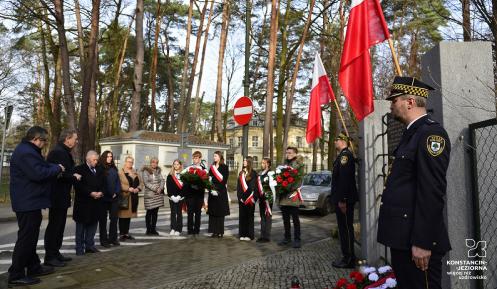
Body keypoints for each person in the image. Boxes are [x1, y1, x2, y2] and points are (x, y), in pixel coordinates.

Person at [377, 76, 451, 289]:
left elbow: (432, 190)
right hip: (403, 238)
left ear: (409, 102)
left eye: (394, 100)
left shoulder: (431, 134)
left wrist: (423, 242)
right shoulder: (411, 134)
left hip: (417, 242)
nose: (391, 106)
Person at [8, 126, 64, 287]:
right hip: (27, 202)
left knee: (30, 237)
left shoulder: (28, 151)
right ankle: (16, 274)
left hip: (29, 201)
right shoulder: (26, 152)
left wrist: (51, 169)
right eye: (43, 140)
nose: (44, 144)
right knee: (26, 239)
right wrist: (57, 168)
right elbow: (38, 173)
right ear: (35, 139)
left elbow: (40, 168)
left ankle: (33, 267)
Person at [44, 129, 81, 267]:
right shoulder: (57, 152)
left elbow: (66, 170)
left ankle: (55, 252)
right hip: (56, 195)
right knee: (55, 226)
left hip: (62, 194)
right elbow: (57, 172)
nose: (77, 141)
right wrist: (73, 176)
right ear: (67, 139)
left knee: (60, 225)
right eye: (75, 139)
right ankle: (50, 256)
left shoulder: (63, 152)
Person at [330, 132, 358, 269]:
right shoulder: (342, 156)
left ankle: (349, 259)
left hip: (344, 200)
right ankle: (347, 256)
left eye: (337, 139)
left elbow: (344, 180)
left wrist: (343, 200)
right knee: (343, 229)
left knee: (346, 229)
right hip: (342, 198)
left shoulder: (345, 156)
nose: (335, 142)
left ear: (343, 141)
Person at [73, 150, 105, 255]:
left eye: (97, 160)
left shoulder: (99, 169)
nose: (96, 162)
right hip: (83, 203)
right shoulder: (79, 169)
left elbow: (104, 183)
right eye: (94, 160)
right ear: (88, 159)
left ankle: (90, 246)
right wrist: (90, 193)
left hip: (96, 203)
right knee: (81, 228)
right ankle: (79, 248)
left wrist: (101, 192)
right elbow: (78, 186)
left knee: (93, 225)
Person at [277, 147, 304, 248]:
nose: (288, 154)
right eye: (287, 152)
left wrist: (287, 187)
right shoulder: (284, 164)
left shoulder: (299, 165)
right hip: (284, 195)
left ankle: (297, 239)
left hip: (293, 194)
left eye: (290, 152)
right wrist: (280, 186)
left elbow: (299, 180)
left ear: (295, 154)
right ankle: (287, 238)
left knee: (295, 219)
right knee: (285, 219)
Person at [98, 151, 121, 247]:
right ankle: (104, 240)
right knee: (103, 220)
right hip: (104, 198)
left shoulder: (114, 168)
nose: (110, 158)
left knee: (114, 219)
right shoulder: (100, 168)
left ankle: (113, 238)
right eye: (108, 156)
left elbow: (117, 182)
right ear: (104, 157)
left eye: (111, 156)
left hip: (114, 198)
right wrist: (108, 193)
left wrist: (116, 192)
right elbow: (101, 184)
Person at [118, 156, 142, 241]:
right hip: (125, 197)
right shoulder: (121, 172)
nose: (130, 163)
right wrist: (128, 188)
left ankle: (126, 233)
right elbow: (119, 183)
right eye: (128, 162)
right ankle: (121, 234)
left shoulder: (135, 172)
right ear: (125, 162)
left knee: (129, 216)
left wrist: (138, 188)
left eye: (131, 162)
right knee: (122, 216)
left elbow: (141, 183)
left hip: (133, 197)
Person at [207, 151, 230, 238]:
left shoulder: (224, 167)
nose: (214, 157)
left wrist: (217, 190)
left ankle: (220, 231)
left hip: (220, 192)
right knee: (213, 212)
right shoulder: (212, 167)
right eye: (214, 156)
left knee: (220, 212)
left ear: (220, 157)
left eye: (215, 156)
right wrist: (211, 188)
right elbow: (209, 178)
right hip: (212, 192)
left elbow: (224, 181)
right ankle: (214, 231)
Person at [184, 151, 207, 236]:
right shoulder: (188, 168)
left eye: (196, 158)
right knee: (190, 213)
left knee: (198, 213)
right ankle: (190, 230)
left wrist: (199, 186)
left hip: (199, 194)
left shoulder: (204, 169)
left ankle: (196, 230)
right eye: (193, 158)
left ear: (200, 159)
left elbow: (206, 182)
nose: (194, 159)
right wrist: (190, 184)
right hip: (190, 195)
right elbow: (184, 181)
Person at [141, 157, 165, 235]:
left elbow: (162, 180)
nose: (154, 164)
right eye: (153, 162)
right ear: (150, 163)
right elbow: (146, 183)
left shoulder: (158, 171)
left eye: (156, 162)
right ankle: (148, 229)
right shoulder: (146, 171)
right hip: (150, 195)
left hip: (157, 195)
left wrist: (160, 188)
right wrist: (155, 188)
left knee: (155, 213)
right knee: (149, 212)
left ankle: (153, 229)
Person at [237, 156, 258, 241]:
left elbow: (252, 187)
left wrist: (245, 197)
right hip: (242, 199)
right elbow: (238, 187)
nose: (244, 162)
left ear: (249, 162)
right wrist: (240, 197)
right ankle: (242, 234)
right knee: (242, 217)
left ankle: (249, 235)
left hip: (249, 198)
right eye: (244, 160)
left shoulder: (253, 173)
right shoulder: (241, 173)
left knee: (249, 217)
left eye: (246, 160)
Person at [256, 157, 273, 242]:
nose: (262, 164)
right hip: (261, 198)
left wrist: (268, 195)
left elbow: (273, 186)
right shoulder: (260, 173)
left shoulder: (271, 173)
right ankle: (262, 235)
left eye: (263, 163)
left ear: (268, 164)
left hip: (268, 199)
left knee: (267, 217)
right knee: (262, 217)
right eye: (261, 162)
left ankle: (267, 236)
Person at [166, 160, 184, 235]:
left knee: (179, 213)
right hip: (172, 197)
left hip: (180, 197)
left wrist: (180, 196)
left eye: (177, 164)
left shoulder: (184, 175)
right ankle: (173, 228)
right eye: (174, 164)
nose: (176, 165)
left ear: (180, 165)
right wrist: (172, 196)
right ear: (173, 165)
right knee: (173, 213)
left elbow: (184, 187)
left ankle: (178, 229)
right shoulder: (170, 175)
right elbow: (168, 186)